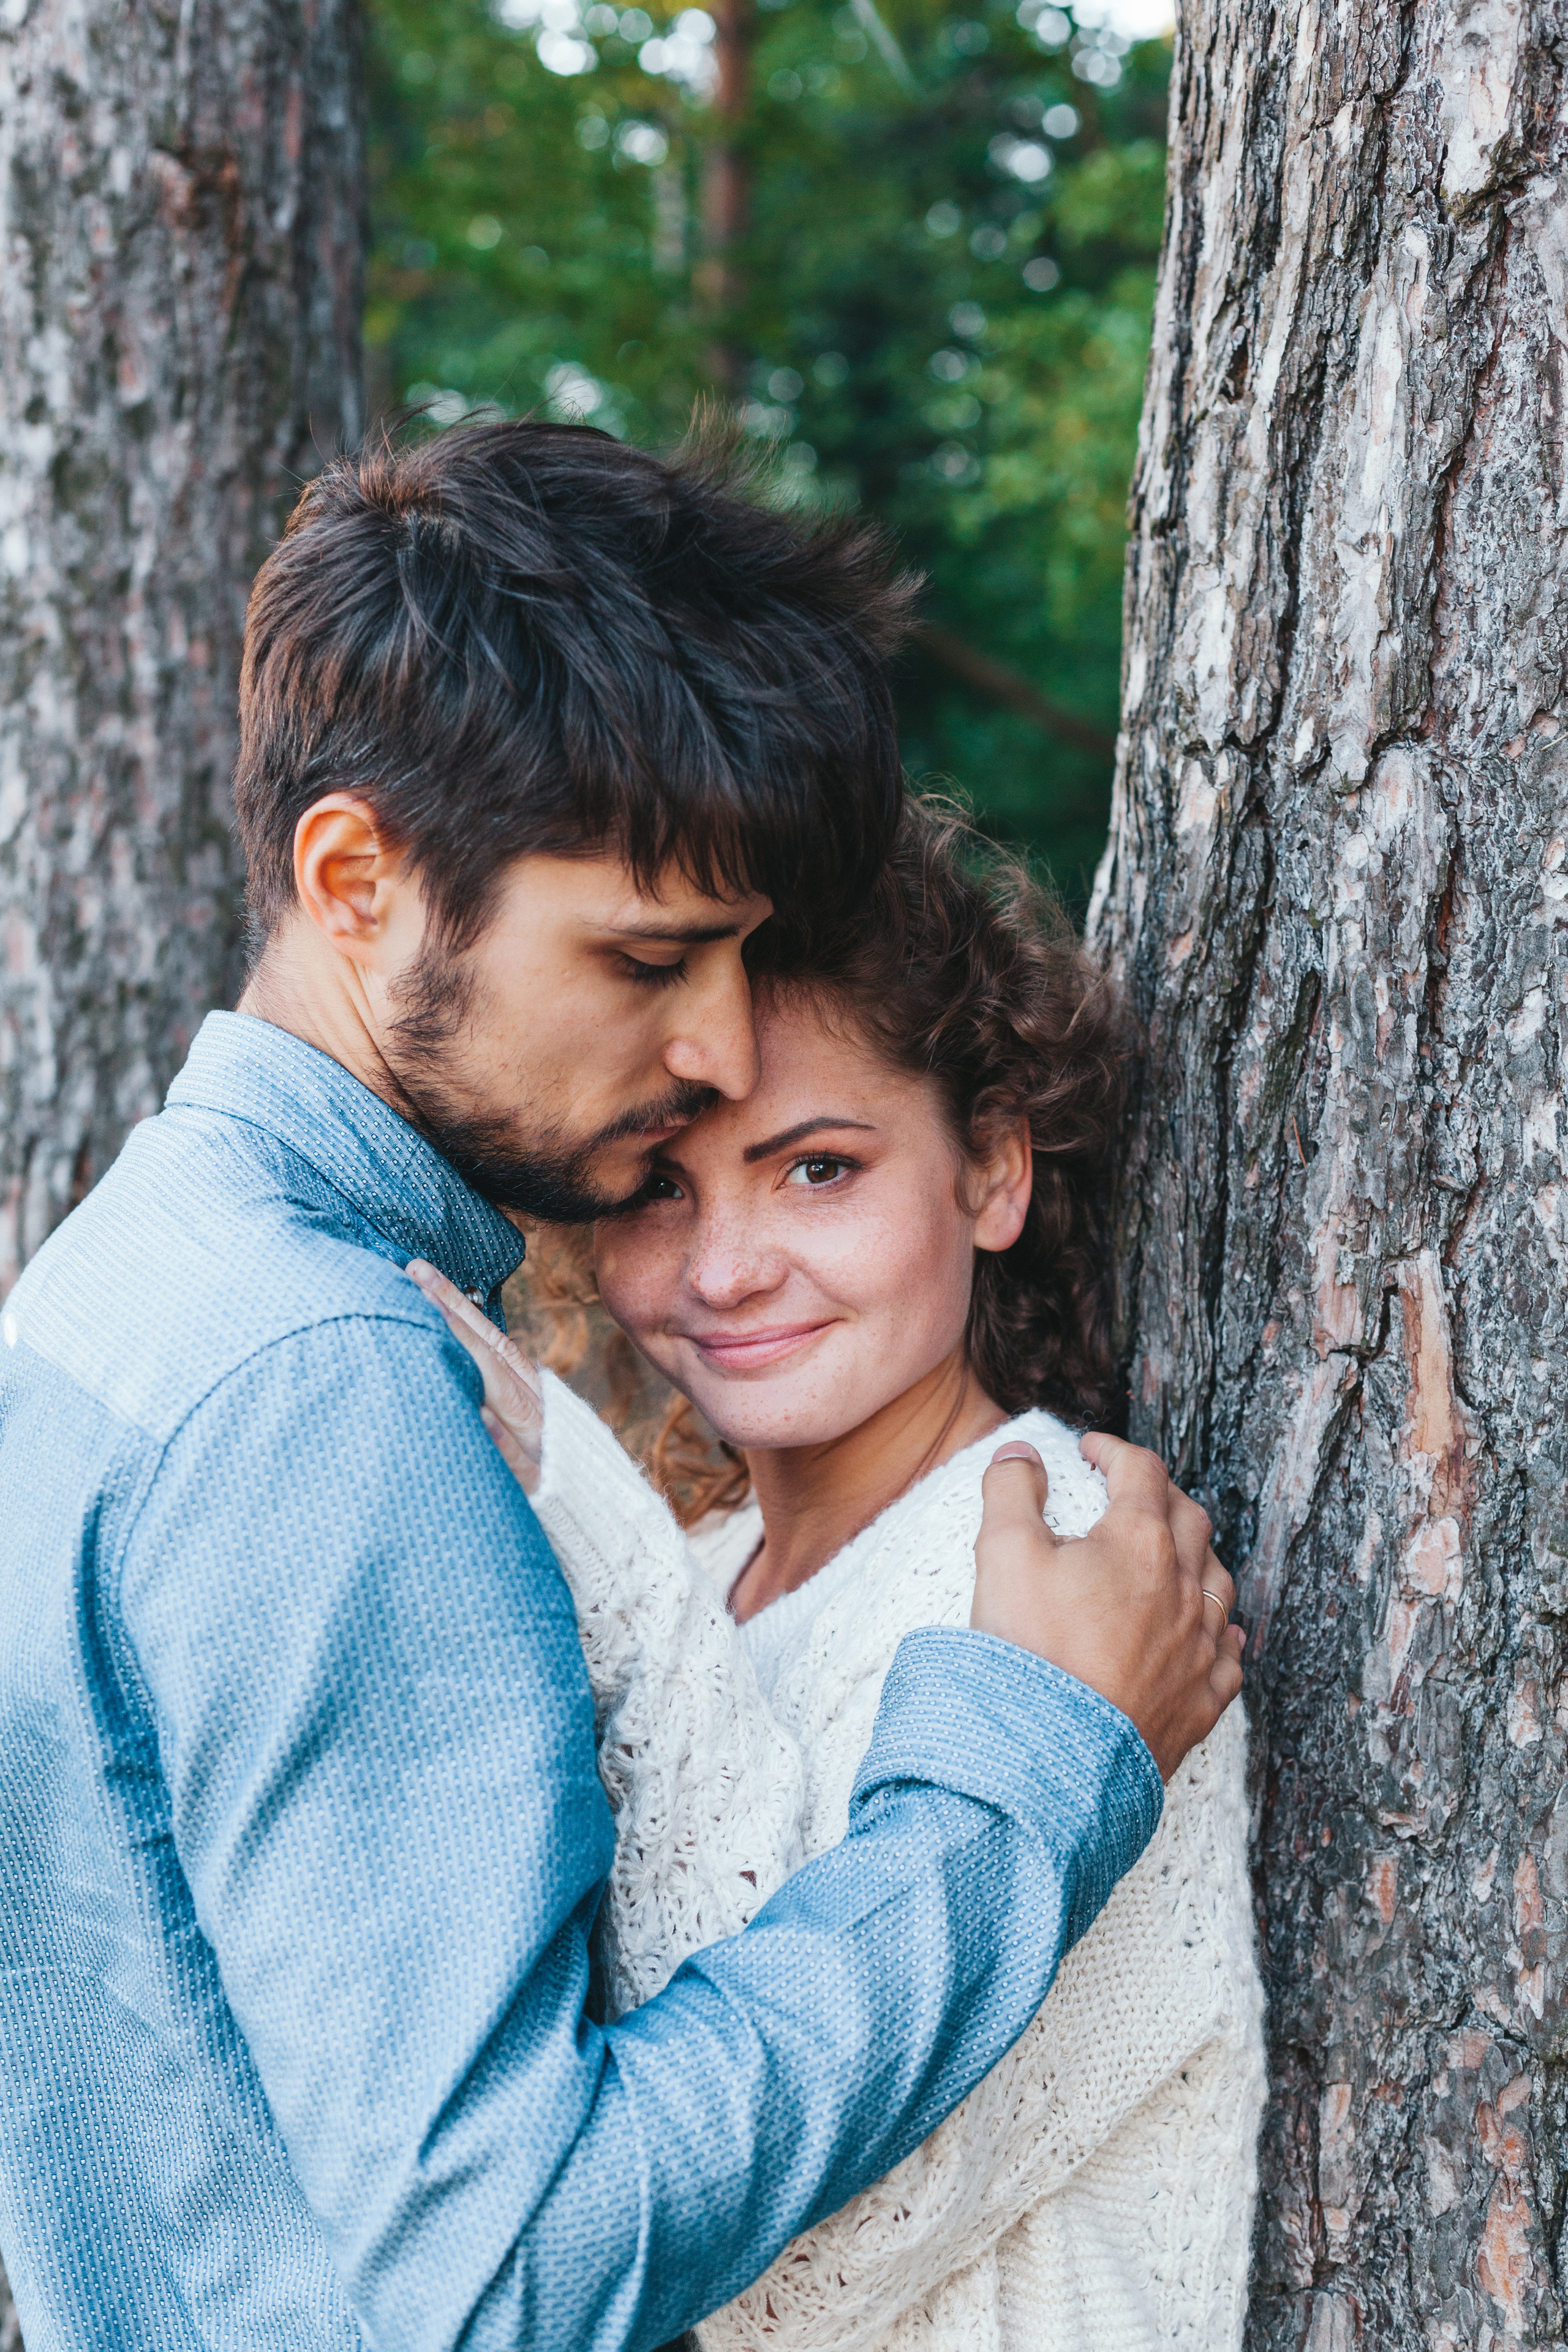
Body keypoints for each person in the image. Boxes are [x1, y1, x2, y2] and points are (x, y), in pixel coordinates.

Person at [0, 423, 1241, 2352]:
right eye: (650, 958)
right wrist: (1025, 1781)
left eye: (743, 967)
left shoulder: (118, 1295)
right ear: (358, 882)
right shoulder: (331, 1386)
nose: (717, 1045)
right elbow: (504, 2279)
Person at [418, 798, 1265, 2350]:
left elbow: (769, 2263)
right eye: (660, 1187)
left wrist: (587, 1531)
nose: (727, 1266)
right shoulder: (705, 1568)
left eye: (816, 1170)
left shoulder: (1068, 1588)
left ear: (991, 1172)